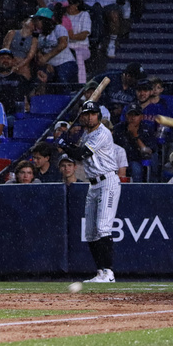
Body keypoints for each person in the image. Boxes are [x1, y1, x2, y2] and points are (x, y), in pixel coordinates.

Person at [57, 100, 121, 283]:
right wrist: (66, 142)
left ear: (98, 116)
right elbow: (75, 152)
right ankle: (100, 271)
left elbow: (81, 154)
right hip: (93, 183)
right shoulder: (85, 133)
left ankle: (109, 272)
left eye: (93, 114)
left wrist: (64, 143)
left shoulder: (102, 133)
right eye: (86, 114)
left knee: (102, 227)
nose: (89, 117)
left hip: (107, 180)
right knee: (91, 232)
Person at [112, 102, 157, 183]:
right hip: (118, 161)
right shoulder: (118, 128)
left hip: (138, 160)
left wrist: (135, 136)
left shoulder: (147, 129)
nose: (133, 118)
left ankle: (137, 193)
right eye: (130, 115)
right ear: (126, 116)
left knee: (136, 168)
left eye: (136, 115)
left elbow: (148, 152)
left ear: (141, 117)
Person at [32, 7, 78, 84]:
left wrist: (47, 57)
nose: (35, 23)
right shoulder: (40, 36)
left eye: (36, 20)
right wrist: (45, 63)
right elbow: (39, 52)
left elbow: (63, 44)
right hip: (50, 66)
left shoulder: (59, 28)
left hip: (65, 63)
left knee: (61, 79)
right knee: (40, 79)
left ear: (44, 20)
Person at [0, 49, 31, 123]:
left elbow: (31, 97)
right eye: (2, 58)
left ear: (13, 61)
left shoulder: (20, 79)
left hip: (15, 117)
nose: (5, 60)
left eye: (8, 58)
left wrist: (42, 83)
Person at [64, 0, 92, 83]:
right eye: (66, 6)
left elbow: (84, 35)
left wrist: (71, 37)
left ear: (76, 4)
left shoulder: (84, 15)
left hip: (82, 48)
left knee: (78, 55)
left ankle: (82, 86)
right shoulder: (63, 16)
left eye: (70, 5)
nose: (68, 8)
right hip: (66, 48)